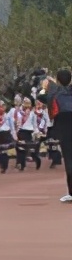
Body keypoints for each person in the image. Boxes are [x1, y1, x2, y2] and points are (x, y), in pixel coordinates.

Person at [37, 69, 72, 201]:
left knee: (69, 160)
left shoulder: (54, 94)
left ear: (58, 80)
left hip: (64, 130)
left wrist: (44, 87)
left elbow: (40, 97)